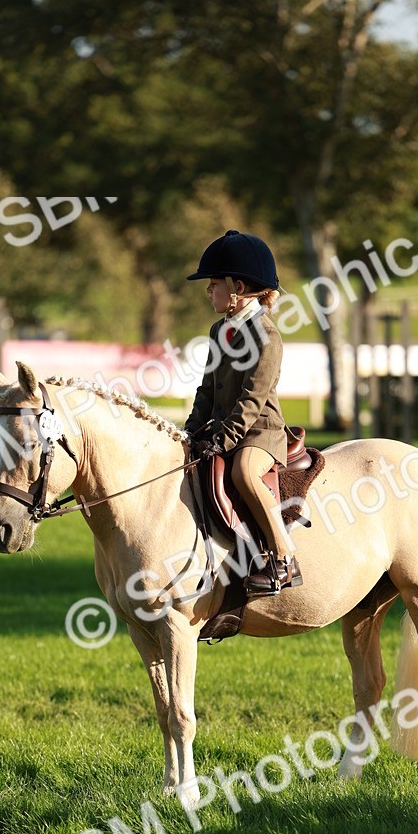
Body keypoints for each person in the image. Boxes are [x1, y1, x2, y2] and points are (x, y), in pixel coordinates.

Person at [184, 229, 302, 595]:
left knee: (243, 473)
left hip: (260, 433)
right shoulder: (219, 331)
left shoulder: (267, 336)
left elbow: (252, 400)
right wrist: (188, 432)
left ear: (237, 287)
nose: (208, 291)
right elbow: (206, 390)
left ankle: (284, 559)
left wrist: (223, 438)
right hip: (225, 430)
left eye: (213, 284)